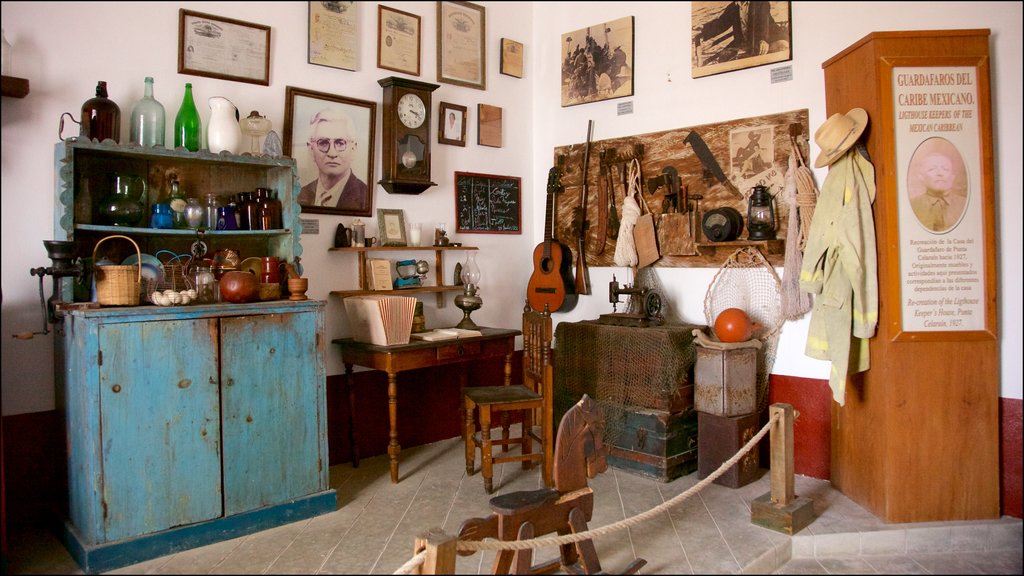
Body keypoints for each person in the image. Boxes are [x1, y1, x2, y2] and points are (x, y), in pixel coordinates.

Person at [297, 107, 367, 211]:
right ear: (311, 149)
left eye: (340, 143)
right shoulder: (298, 196)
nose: (332, 153)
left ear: (353, 149)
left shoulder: (365, 196)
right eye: (323, 143)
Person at [693, 1, 789, 64]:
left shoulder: (761, 3)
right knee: (723, 57)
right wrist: (703, 28)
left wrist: (763, 39)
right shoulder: (733, 7)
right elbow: (721, 24)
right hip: (746, 43)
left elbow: (763, 22)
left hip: (768, 38)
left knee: (783, 46)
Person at [909, 151, 967, 233]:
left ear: (952, 177)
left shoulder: (964, 204)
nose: (940, 173)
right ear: (921, 177)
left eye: (945, 169)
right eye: (932, 169)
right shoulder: (912, 205)